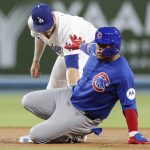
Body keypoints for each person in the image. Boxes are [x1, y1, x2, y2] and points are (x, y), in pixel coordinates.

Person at [21, 26, 150, 144]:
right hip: (69, 95)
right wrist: (79, 45)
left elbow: (129, 106)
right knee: (27, 100)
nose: (99, 48)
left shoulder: (123, 73)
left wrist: (134, 133)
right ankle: (63, 126)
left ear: (114, 46)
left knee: (36, 135)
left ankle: (73, 134)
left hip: (83, 115)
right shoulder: (95, 49)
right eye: (98, 44)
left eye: (104, 46)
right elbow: (88, 47)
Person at [28, 2, 97, 88]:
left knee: (76, 86)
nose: (45, 32)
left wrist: (73, 92)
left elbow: (72, 66)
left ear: (53, 17)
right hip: (67, 50)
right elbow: (38, 37)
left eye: (47, 27)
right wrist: (36, 60)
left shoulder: (67, 30)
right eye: (41, 29)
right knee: (52, 88)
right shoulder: (32, 24)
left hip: (88, 48)